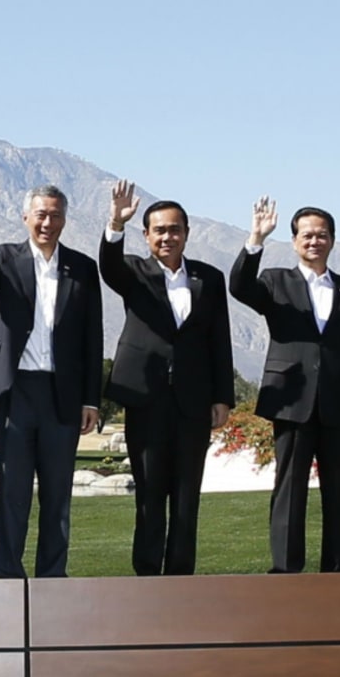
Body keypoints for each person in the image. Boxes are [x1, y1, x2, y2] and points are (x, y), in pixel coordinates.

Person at [0, 171, 103, 579]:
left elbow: (94, 338)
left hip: (63, 395)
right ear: (25, 217)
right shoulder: (5, 259)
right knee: (13, 494)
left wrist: (91, 399)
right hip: (15, 391)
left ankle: (52, 579)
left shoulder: (82, 268)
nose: (47, 223)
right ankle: (8, 579)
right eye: (40, 214)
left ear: (64, 220)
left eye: (55, 216)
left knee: (58, 497)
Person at [229, 198, 340, 574]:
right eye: (307, 235)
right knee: (289, 490)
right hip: (292, 402)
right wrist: (256, 239)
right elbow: (240, 287)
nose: (315, 241)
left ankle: (338, 570)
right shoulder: (275, 281)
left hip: (339, 403)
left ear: (332, 241)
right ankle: (285, 571)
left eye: (322, 235)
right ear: (295, 241)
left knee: (338, 490)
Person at [100, 181, 234, 576]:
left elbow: (219, 338)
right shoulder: (133, 272)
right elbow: (108, 265)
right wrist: (114, 224)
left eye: (175, 229)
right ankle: (146, 575)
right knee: (149, 493)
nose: (168, 237)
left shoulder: (208, 279)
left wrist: (222, 396)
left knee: (187, 496)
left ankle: (180, 577)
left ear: (187, 234)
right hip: (146, 398)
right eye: (159, 230)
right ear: (146, 236)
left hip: (193, 401)